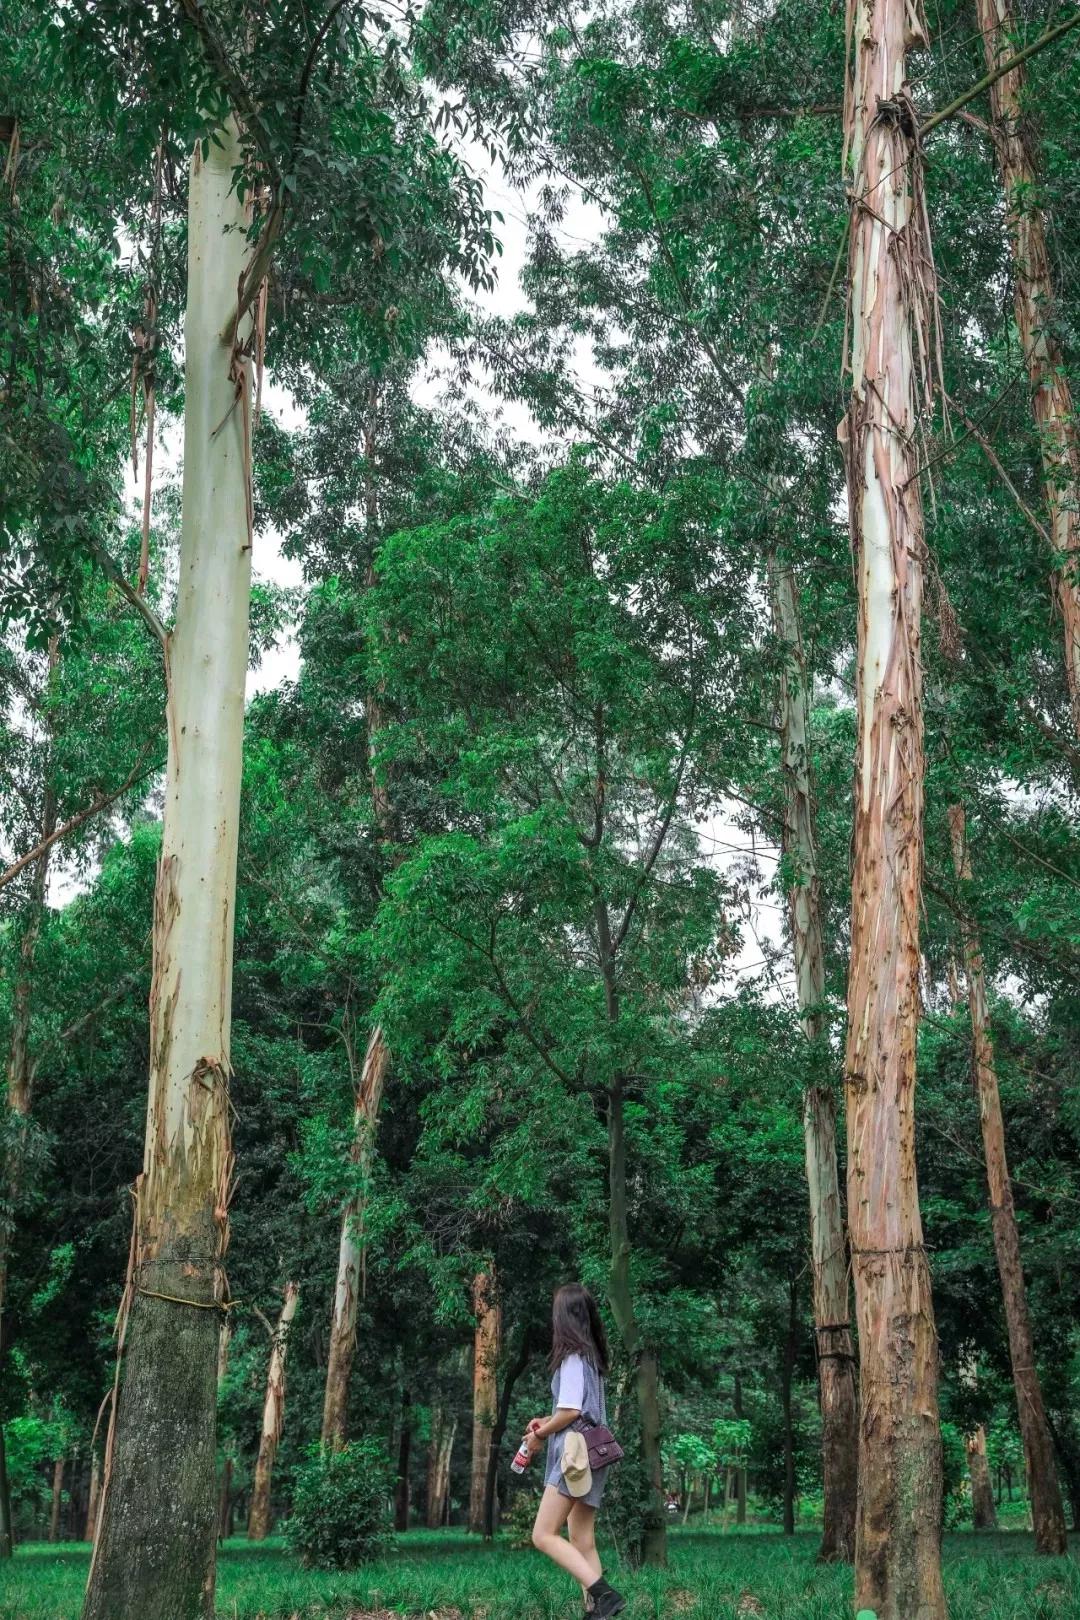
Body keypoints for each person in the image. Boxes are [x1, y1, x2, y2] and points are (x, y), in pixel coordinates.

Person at [521, 1283, 625, 1618]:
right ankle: (597, 1611)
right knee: (582, 1540)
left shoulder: (571, 1359)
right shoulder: (589, 1359)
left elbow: (571, 1413)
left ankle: (604, 1595)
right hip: (595, 1454)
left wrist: (539, 1436)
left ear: (562, 1318)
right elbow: (573, 1408)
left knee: (542, 1534)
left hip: (574, 1457)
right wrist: (546, 1419)